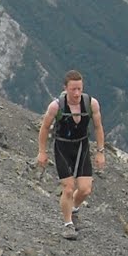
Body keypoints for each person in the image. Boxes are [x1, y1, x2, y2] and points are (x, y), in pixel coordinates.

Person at [36, 70, 105, 240]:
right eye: (73, 89)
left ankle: (73, 210)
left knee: (85, 189)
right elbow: (45, 128)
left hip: (82, 146)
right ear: (65, 88)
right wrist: (42, 152)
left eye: (79, 89)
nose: (76, 93)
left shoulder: (91, 104)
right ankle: (68, 225)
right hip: (62, 148)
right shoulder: (56, 106)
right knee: (68, 188)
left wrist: (100, 152)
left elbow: (98, 127)